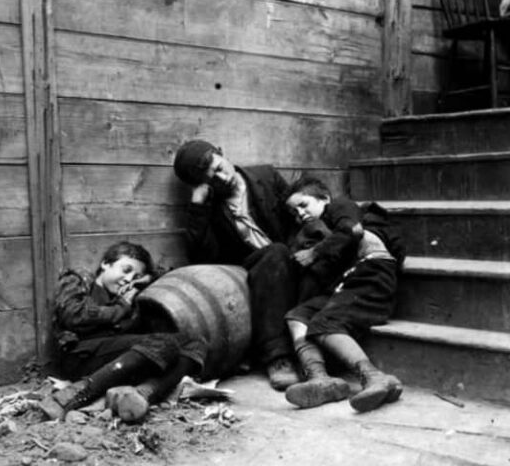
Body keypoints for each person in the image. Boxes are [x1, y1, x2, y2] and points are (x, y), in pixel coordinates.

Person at [173, 140, 300, 391]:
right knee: (273, 255)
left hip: (294, 255)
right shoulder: (212, 206)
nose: (222, 177)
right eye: (212, 177)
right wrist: (198, 207)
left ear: (222, 154)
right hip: (254, 269)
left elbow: (297, 214)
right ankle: (278, 358)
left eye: (220, 167)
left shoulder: (266, 176)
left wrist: (301, 251)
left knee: (278, 252)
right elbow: (201, 258)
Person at [40, 241, 206, 423]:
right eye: (126, 270)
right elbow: (74, 315)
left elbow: (163, 273)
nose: (128, 279)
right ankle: (74, 394)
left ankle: (142, 394)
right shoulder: (79, 279)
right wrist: (122, 307)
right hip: (79, 355)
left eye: (135, 276)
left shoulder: (127, 294)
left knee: (193, 341)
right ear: (105, 264)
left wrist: (145, 280)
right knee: (163, 343)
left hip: (116, 361)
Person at [281, 175, 405, 413]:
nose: (300, 214)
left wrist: (314, 253)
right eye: (295, 212)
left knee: (325, 323)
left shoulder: (340, 205)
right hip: (347, 282)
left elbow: (353, 230)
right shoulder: (318, 230)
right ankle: (319, 378)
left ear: (324, 198)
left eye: (304, 205)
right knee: (298, 316)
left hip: (372, 275)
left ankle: (374, 377)